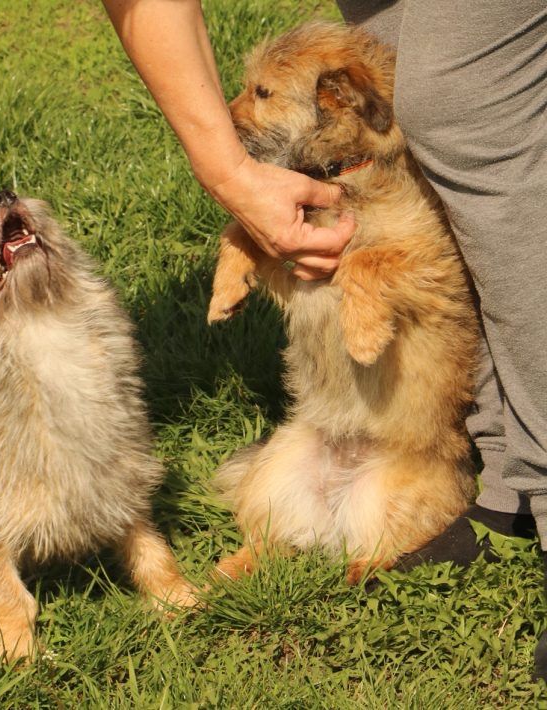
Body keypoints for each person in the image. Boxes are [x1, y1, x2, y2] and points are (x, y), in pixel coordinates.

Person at [101, 0, 547, 678]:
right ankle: (507, 465)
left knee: (457, 100)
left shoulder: (380, 184)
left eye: (261, 95)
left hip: (403, 437)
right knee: (427, 104)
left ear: (337, 103)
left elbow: (423, 273)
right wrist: (241, 215)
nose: (236, 107)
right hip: (340, 422)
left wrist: (365, 275)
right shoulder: (334, 167)